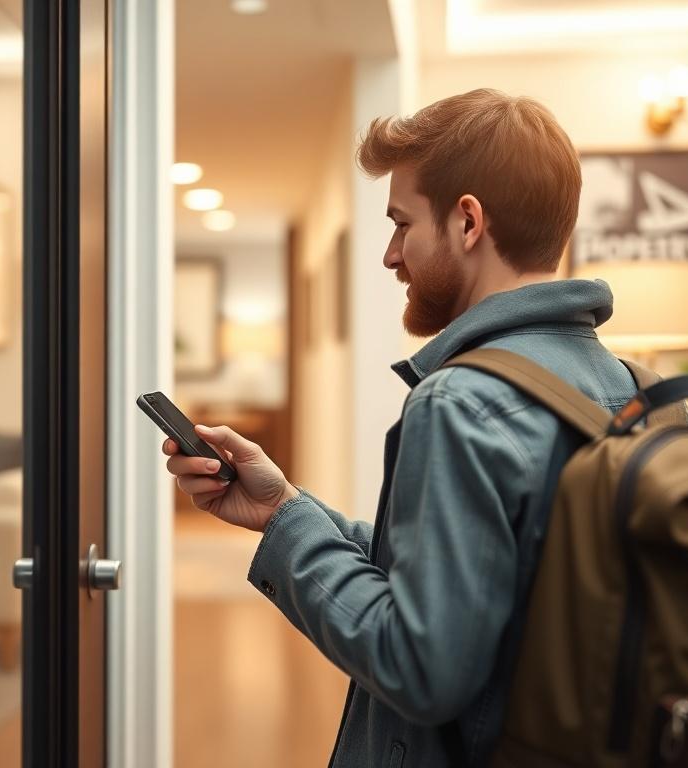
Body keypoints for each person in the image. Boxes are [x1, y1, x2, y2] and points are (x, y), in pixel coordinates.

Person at [161, 88, 638, 767]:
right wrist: (284, 509)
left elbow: (419, 666)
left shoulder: (461, 401)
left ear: (468, 222)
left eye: (401, 223)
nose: (390, 255)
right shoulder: (634, 389)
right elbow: (477, 584)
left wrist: (289, 539)